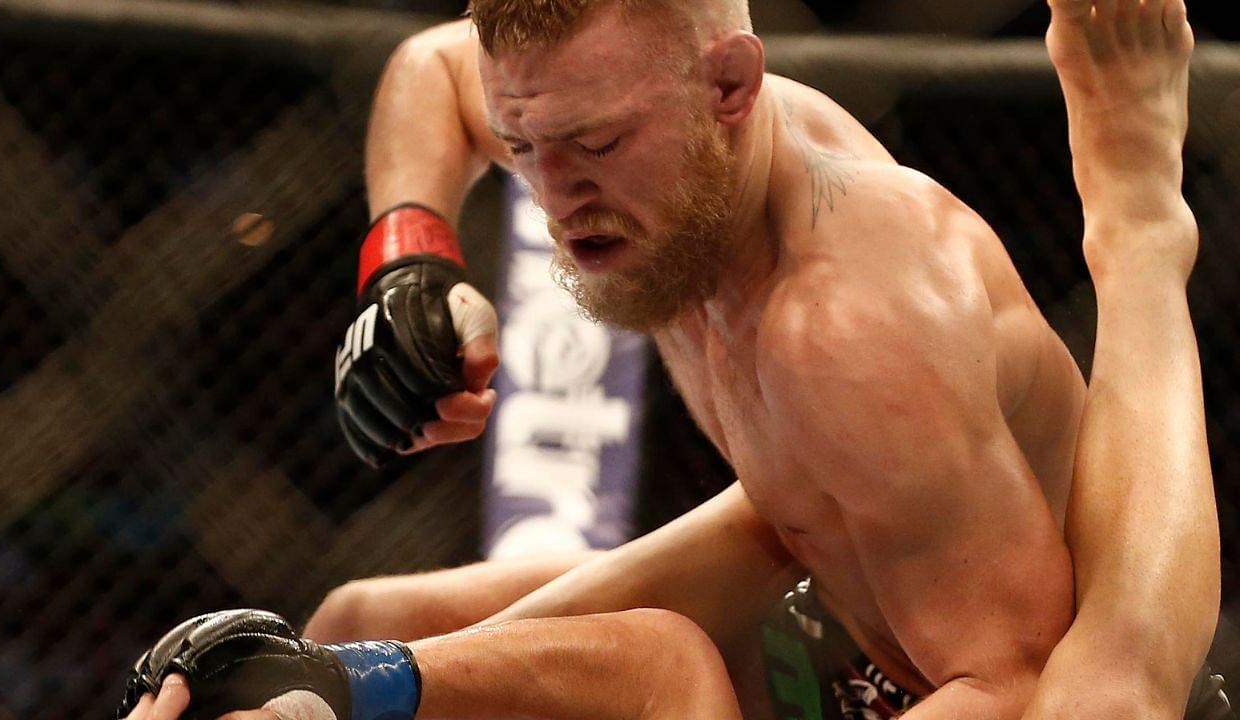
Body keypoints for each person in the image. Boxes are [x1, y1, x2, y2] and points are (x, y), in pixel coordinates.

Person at [119, 0, 1223, 718]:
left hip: (996, 685)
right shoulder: (624, 131)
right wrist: (409, 257)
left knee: (655, 669)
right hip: (821, 613)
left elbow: (1034, 686)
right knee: (364, 623)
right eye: (522, 151)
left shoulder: (844, 323)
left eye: (596, 147)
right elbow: (430, 70)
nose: (554, 201)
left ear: (730, 90)